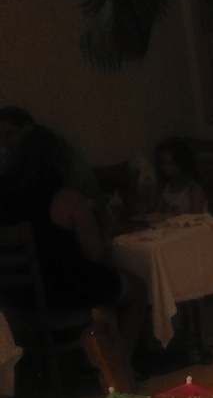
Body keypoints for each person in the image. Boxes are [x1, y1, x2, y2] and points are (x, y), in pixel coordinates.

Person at [0, 108, 144, 383]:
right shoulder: (67, 199)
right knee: (135, 288)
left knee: (108, 287)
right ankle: (117, 368)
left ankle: (104, 360)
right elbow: (95, 253)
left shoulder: (5, 199)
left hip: (16, 300)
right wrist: (104, 224)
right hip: (67, 292)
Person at [150, 136, 208, 216]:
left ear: (181, 164)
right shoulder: (163, 188)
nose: (166, 168)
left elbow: (196, 218)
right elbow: (156, 214)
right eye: (163, 163)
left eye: (171, 163)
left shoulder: (193, 190)